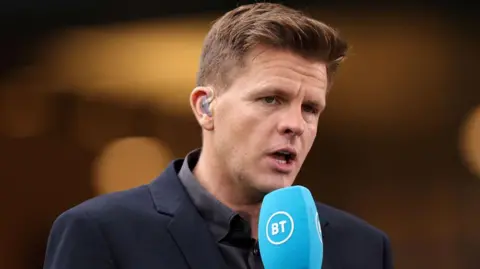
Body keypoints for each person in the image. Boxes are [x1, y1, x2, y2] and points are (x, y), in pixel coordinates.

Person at [43, 3, 393, 269]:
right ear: (205, 107)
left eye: (310, 109)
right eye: (271, 99)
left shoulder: (362, 249)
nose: (295, 124)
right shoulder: (101, 233)